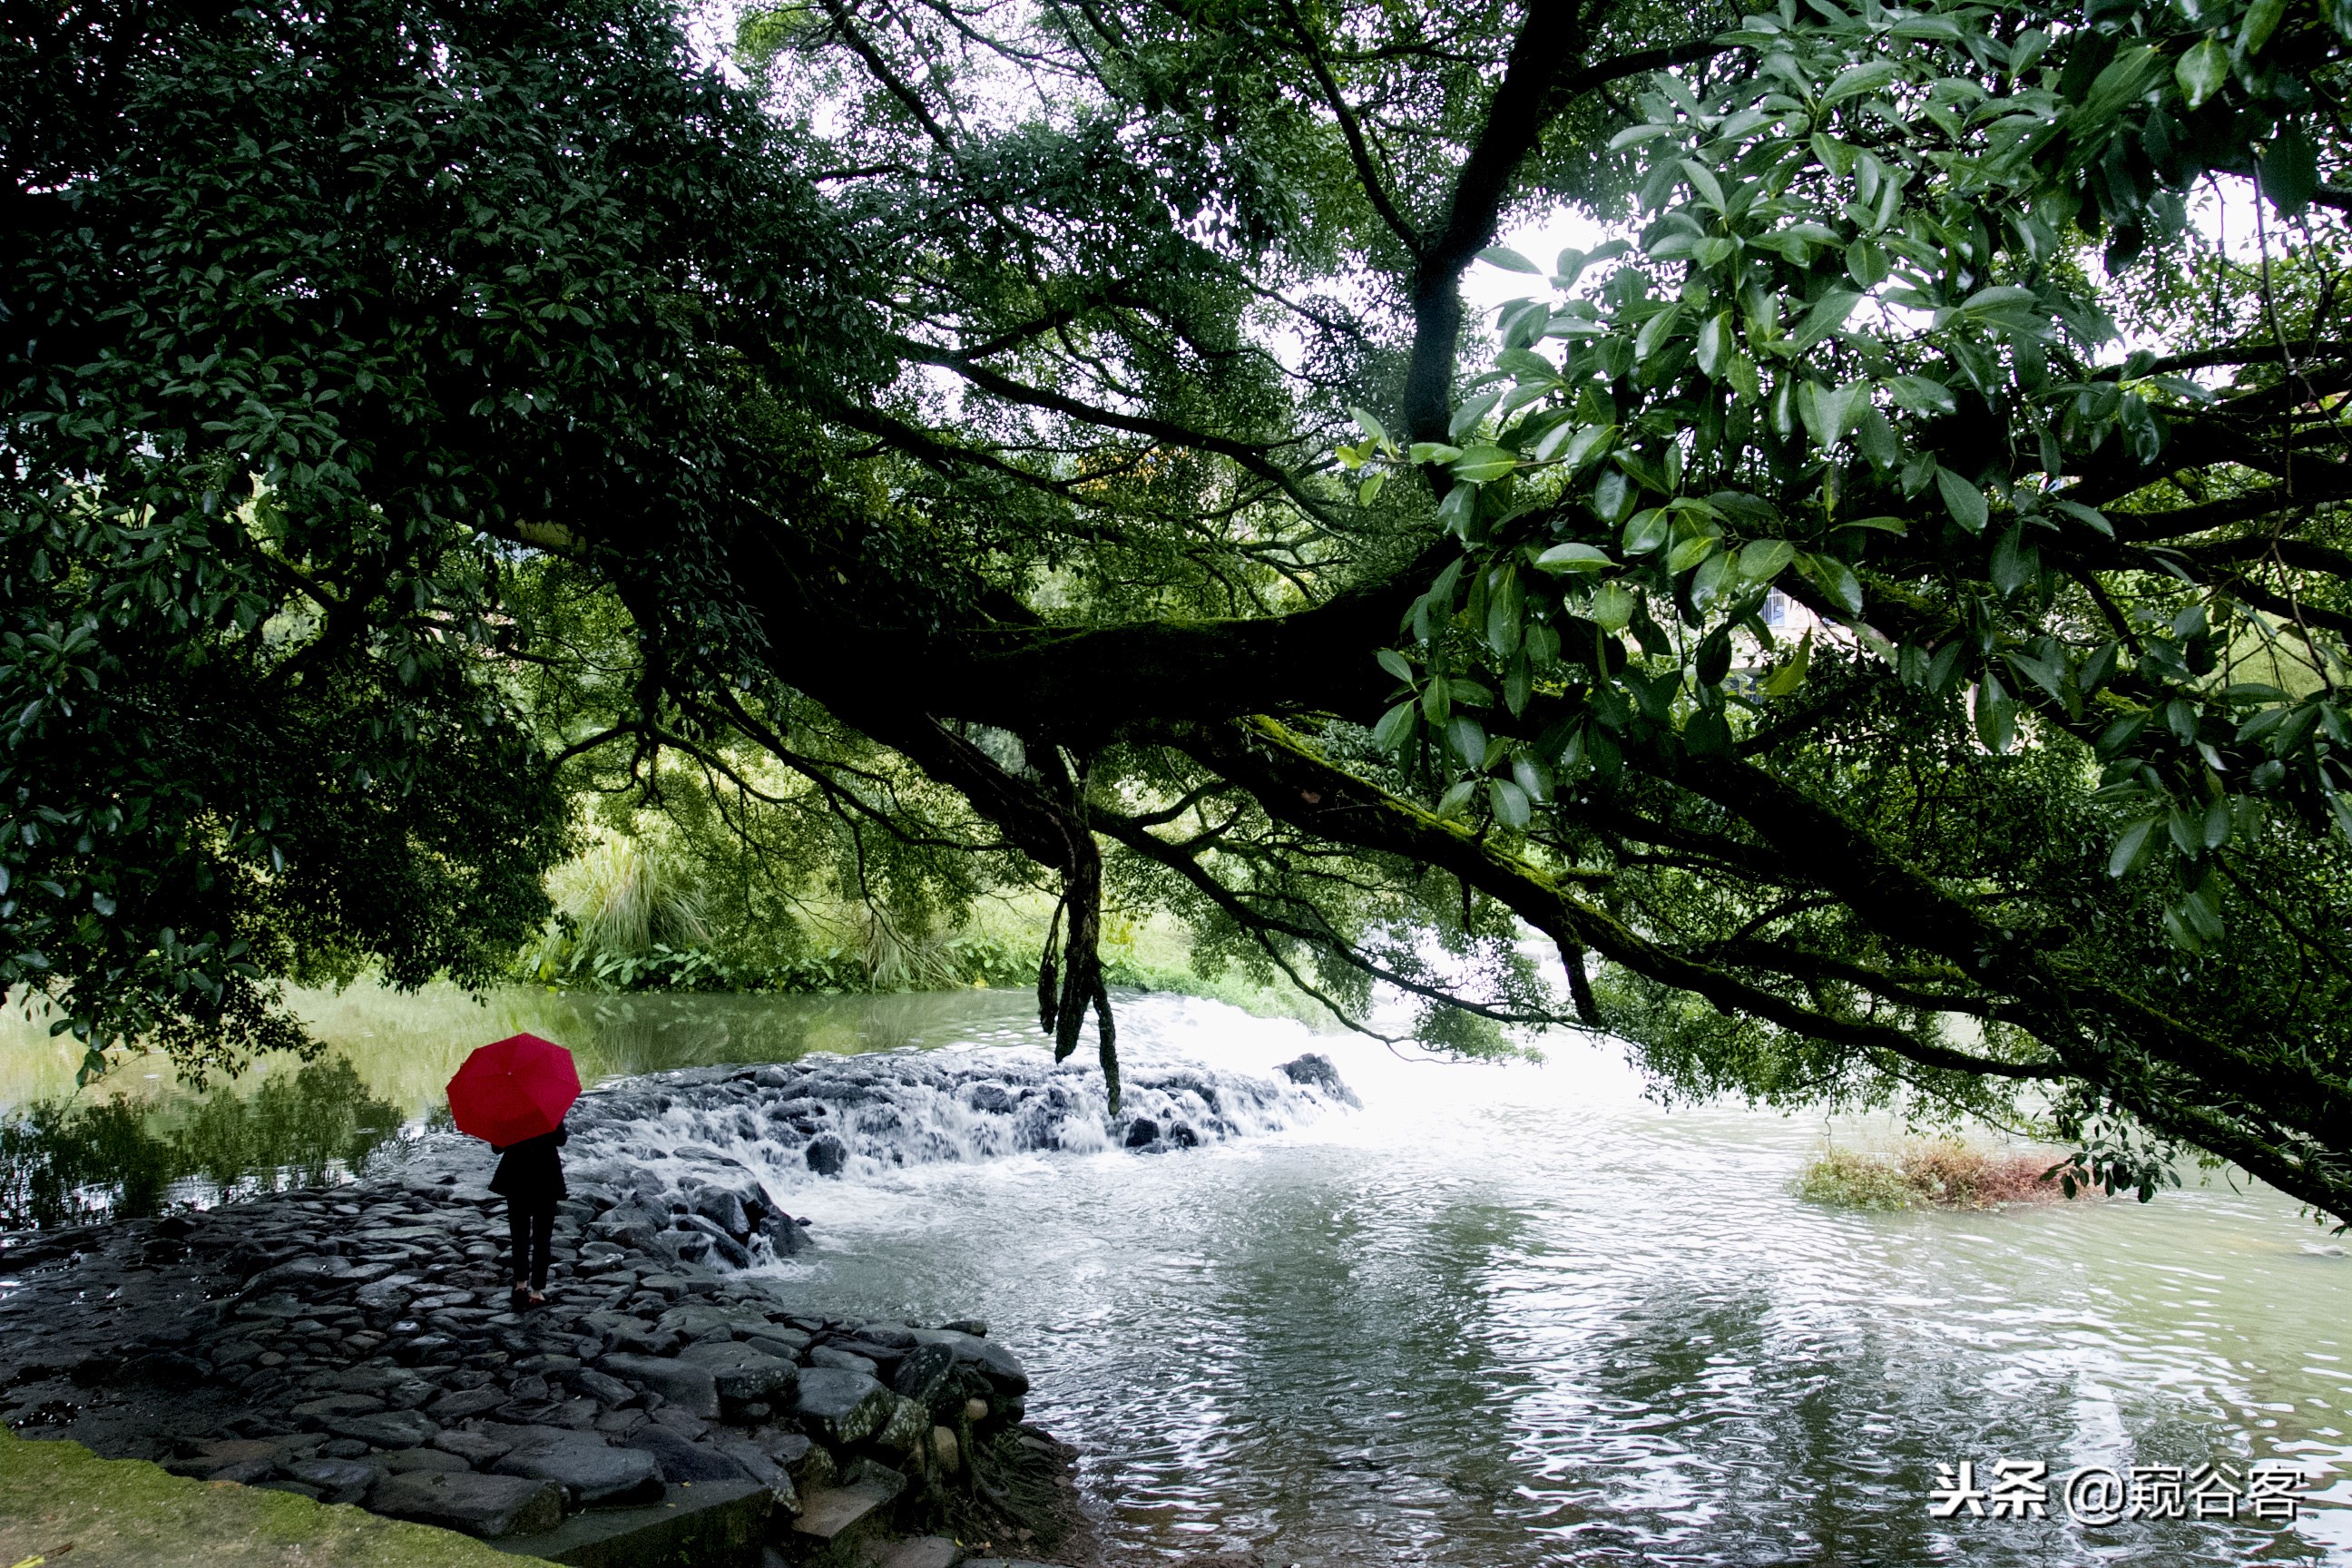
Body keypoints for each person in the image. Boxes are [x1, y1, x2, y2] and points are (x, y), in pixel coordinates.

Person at [488, 1119, 567, 1308]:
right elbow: (561, 1139)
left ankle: (520, 1285)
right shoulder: (546, 1110)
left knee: (519, 1235)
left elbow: (497, 1148)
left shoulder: (508, 1113)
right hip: (546, 1177)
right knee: (543, 1237)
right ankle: (537, 1292)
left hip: (516, 1178)